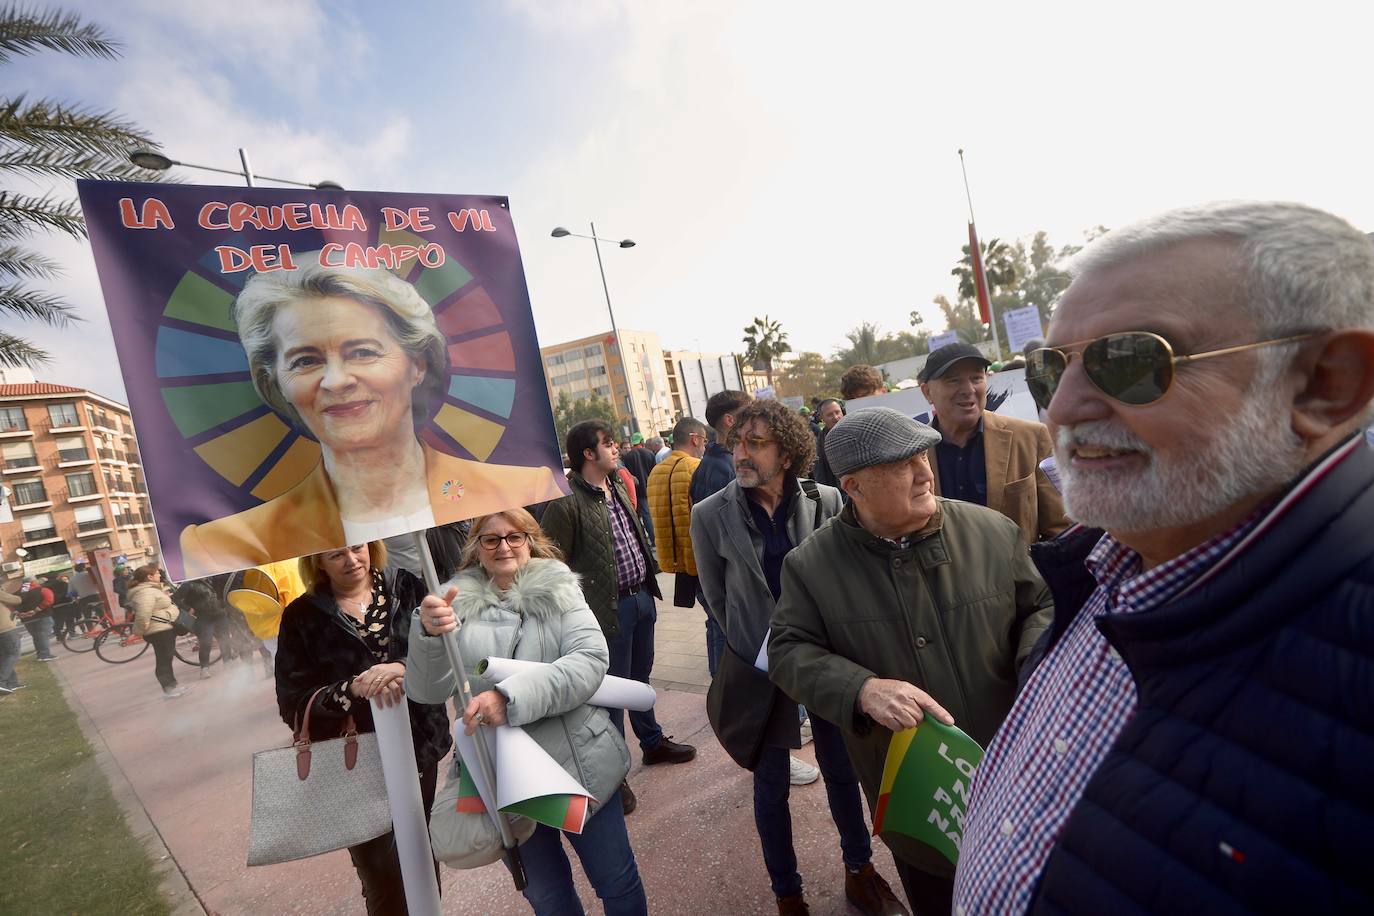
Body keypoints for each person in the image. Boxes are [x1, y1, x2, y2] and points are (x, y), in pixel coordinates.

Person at [955, 201, 1374, 915]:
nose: (1065, 410)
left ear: (1324, 385)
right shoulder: (1103, 566)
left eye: (1133, 359)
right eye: (1051, 369)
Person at [768, 407, 1053, 914]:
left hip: (1017, 775)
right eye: (903, 465)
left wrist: (1037, 665)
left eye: (924, 454)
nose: (926, 472)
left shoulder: (992, 532)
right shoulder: (810, 566)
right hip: (922, 802)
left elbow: (1040, 607)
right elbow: (789, 651)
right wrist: (861, 689)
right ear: (853, 486)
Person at [179, 253, 564, 576]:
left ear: (417, 365)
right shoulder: (225, 546)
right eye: (306, 360)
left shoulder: (522, 489)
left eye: (363, 351)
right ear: (276, 383)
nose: (336, 380)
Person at [692, 399, 904, 916]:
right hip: (761, 668)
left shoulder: (828, 501)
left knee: (840, 770)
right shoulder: (709, 514)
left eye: (755, 444)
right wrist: (754, 648)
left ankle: (861, 870)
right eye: (737, 442)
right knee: (770, 786)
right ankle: (787, 893)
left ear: (786, 453)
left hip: (825, 660)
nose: (741, 453)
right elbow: (717, 598)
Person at [409, 509, 649, 915]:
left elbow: (590, 660)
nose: (503, 546)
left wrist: (508, 699)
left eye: (514, 536)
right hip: (502, 774)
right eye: (491, 539)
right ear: (477, 549)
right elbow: (426, 689)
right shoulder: (451, 603)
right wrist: (429, 635)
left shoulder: (560, 588)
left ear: (530, 541)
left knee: (616, 880)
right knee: (547, 896)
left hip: (576, 763)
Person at [274, 541, 451, 915]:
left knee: (422, 855)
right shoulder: (301, 615)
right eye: (336, 554)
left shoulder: (407, 587)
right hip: (353, 761)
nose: (351, 560)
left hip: (419, 743)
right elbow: (291, 702)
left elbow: (438, 650)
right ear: (317, 561)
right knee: (380, 873)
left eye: (357, 548)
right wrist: (351, 689)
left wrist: (403, 666)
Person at [542, 420, 697, 816]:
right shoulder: (565, 501)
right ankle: (614, 771)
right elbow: (549, 562)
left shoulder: (616, 485)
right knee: (610, 693)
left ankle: (652, 742)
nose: (616, 449)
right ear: (588, 454)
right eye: (608, 444)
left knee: (640, 678)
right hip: (605, 611)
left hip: (641, 597)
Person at [916, 342, 1070, 544]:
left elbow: (1060, 529)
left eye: (976, 378)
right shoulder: (914, 454)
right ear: (927, 392)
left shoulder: (1031, 438)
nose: (968, 389)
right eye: (953, 381)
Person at [690, 389, 752, 675]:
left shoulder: (719, 463)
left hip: (730, 581)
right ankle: (726, 696)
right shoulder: (721, 469)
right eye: (747, 413)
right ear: (729, 420)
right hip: (730, 581)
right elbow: (724, 536)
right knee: (722, 635)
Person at [647, 417, 707, 608]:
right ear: (695, 439)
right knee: (718, 622)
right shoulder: (696, 467)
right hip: (699, 560)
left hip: (674, 559)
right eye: (704, 441)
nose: (704, 446)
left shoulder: (656, 472)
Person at [127, 565, 189, 699]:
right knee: (164, 660)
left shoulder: (150, 590)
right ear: (149, 577)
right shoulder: (145, 592)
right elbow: (143, 614)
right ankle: (169, 689)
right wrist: (138, 631)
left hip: (163, 629)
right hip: (159, 631)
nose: (160, 575)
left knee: (166, 658)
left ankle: (172, 686)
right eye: (156, 573)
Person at [172, 576, 230, 679]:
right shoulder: (188, 584)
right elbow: (174, 598)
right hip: (203, 618)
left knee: (225, 639)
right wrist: (188, 608)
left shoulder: (215, 578)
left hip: (220, 615)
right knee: (206, 643)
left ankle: (228, 662)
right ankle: (204, 668)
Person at [17, 578, 56, 661]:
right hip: (42, 616)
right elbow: (49, 600)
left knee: (36, 636)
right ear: (33, 582)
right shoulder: (42, 590)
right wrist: (36, 610)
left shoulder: (18, 593)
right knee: (43, 635)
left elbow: (14, 605)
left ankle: (40, 654)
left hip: (27, 619)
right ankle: (45, 655)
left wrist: (21, 614)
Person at [810, 398, 846, 488]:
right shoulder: (820, 443)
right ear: (822, 418)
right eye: (830, 415)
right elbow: (819, 473)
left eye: (837, 412)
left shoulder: (855, 430)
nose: (835, 417)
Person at [0, 584, 23, 695]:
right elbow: (17, 600)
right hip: (5, 628)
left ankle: (12, 683)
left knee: (5, 656)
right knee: (13, 654)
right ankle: (1, 681)